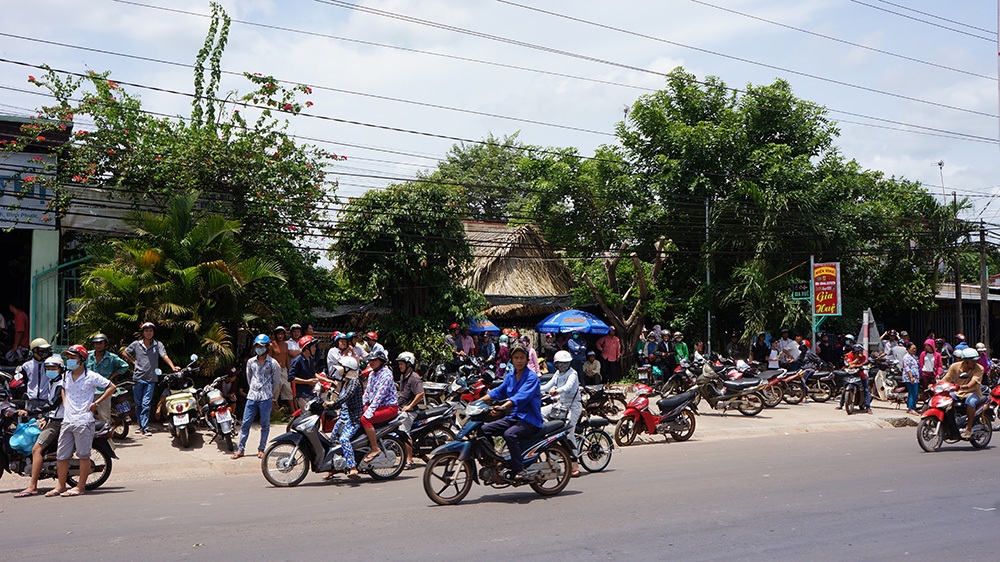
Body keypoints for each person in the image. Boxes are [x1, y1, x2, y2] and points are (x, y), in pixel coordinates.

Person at [49, 344, 116, 497]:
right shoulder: (66, 375)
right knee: (62, 455)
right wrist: (65, 404)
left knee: (83, 455)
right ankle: (60, 486)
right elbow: (64, 389)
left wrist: (96, 403)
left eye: (72, 358)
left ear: (81, 359)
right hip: (67, 420)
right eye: (68, 358)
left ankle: (80, 486)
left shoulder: (91, 376)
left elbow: (111, 386)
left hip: (84, 421)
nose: (69, 361)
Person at [480, 344, 542, 480]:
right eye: (516, 358)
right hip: (514, 417)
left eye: (522, 358)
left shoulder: (531, 377)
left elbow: (521, 396)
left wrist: (503, 407)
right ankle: (494, 462)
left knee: (509, 434)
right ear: (511, 360)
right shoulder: (510, 376)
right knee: (483, 429)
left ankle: (518, 469)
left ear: (527, 359)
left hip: (529, 419)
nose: (519, 361)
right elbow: (498, 391)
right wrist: (479, 401)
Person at [14, 355, 65, 498]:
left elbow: (53, 404)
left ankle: (33, 486)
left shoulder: (61, 383)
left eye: (53, 368)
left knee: (36, 449)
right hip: (53, 419)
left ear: (60, 369)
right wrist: (47, 418)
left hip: (59, 422)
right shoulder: (53, 382)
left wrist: (30, 411)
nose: (50, 370)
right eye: (48, 368)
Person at [123, 322, 179, 437]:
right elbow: (125, 352)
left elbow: (164, 356)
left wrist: (173, 367)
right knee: (138, 404)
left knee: (146, 404)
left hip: (151, 379)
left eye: (151, 331)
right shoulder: (136, 344)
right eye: (146, 331)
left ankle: (145, 427)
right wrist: (133, 362)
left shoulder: (158, 345)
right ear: (143, 333)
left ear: (153, 332)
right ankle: (140, 426)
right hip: (137, 378)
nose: (148, 333)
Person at [232, 334, 281, 460]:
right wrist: (253, 389)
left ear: (266, 347)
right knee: (245, 423)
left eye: (261, 346)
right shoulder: (250, 362)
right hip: (252, 396)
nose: (259, 348)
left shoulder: (273, 363)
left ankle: (261, 449)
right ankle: (241, 449)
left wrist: (274, 397)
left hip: (266, 397)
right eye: (257, 346)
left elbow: (276, 382)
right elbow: (249, 378)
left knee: (265, 424)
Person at [541, 350, 582, 477]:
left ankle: (575, 464)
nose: (563, 367)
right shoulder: (558, 374)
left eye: (565, 364)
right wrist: (531, 389)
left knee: (569, 433)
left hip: (573, 407)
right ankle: (552, 440)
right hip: (560, 405)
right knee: (540, 413)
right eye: (560, 364)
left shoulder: (573, 374)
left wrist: (556, 391)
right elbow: (546, 387)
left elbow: (568, 387)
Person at [326, 356, 363, 479]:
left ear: (348, 369)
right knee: (331, 441)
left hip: (353, 419)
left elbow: (346, 396)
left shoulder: (354, 382)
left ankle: (352, 467)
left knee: (344, 440)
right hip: (343, 418)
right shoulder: (346, 382)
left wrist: (333, 403)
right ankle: (333, 468)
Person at [359, 349, 398, 464]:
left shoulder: (386, 374)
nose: (371, 363)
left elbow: (379, 395)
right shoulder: (372, 374)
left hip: (389, 408)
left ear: (381, 361)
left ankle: (375, 447)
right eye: (370, 360)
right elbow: (367, 393)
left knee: (365, 419)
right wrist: (361, 405)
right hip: (376, 406)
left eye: (374, 360)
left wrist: (369, 410)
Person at [86, 333, 129, 425]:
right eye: (96, 343)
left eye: (100, 343)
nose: (98, 345)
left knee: (104, 416)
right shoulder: (87, 356)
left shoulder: (112, 357)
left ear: (105, 344)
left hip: (104, 391)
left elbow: (125, 366)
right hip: (88, 390)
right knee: (86, 415)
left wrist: (112, 376)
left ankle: (106, 436)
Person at [940, 348, 984, 438]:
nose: (975, 363)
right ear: (965, 361)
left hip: (973, 392)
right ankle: (951, 426)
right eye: (972, 361)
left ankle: (969, 428)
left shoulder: (979, 368)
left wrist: (967, 385)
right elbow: (946, 378)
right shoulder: (954, 367)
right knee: (945, 401)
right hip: (957, 392)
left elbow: (974, 380)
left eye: (976, 360)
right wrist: (937, 385)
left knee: (970, 402)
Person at [395, 351, 424, 469]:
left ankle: (409, 460)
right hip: (401, 408)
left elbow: (420, 394)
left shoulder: (414, 378)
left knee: (403, 431)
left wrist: (410, 406)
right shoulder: (403, 376)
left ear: (408, 364)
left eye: (401, 364)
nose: (399, 366)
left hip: (410, 412)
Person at [17, 338, 53, 411]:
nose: (45, 353)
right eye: (42, 350)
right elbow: (25, 381)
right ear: (35, 350)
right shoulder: (26, 366)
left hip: (46, 400)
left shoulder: (50, 364)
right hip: (31, 400)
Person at [288, 335, 320, 412]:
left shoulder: (311, 359)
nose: (315, 349)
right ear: (306, 348)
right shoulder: (298, 361)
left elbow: (313, 374)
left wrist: (327, 380)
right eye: (313, 347)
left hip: (311, 393)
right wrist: (307, 381)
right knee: (306, 416)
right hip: (302, 395)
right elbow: (291, 378)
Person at [837, 344, 871, 413]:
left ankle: (868, 407)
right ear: (855, 352)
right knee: (844, 389)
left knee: (866, 390)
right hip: (850, 375)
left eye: (861, 351)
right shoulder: (850, 356)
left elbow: (861, 365)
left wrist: (855, 364)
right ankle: (841, 404)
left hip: (861, 376)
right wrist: (857, 360)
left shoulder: (863, 357)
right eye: (860, 351)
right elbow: (850, 365)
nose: (861, 353)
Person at [268, 327, 294, 411]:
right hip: (275, 370)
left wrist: (290, 370)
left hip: (284, 370)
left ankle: (293, 412)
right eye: (278, 334)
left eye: (282, 334)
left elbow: (286, 358)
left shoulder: (285, 344)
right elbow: (269, 359)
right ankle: (272, 413)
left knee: (288, 391)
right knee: (275, 392)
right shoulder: (272, 345)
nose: (280, 336)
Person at [901, 342, 921, 415]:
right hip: (910, 378)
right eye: (913, 348)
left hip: (915, 377)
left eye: (915, 348)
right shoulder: (906, 357)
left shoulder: (913, 356)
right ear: (908, 349)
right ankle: (911, 408)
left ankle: (912, 407)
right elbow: (907, 368)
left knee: (913, 393)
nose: (914, 350)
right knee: (913, 392)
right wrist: (911, 377)